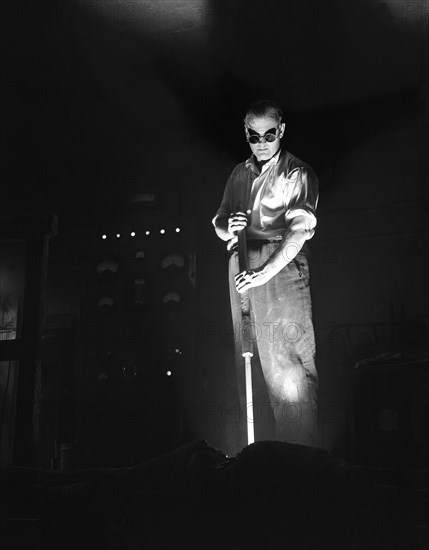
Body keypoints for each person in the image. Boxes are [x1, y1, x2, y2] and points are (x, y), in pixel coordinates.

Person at [212, 99, 320, 448]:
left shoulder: (297, 173)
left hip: (279, 266)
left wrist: (264, 272)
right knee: (247, 356)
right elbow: (219, 222)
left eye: (269, 134)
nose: (261, 141)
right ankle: (253, 455)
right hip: (241, 264)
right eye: (253, 135)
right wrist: (231, 226)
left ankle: (299, 457)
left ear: (281, 131)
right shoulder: (239, 173)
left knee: (288, 366)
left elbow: (298, 233)